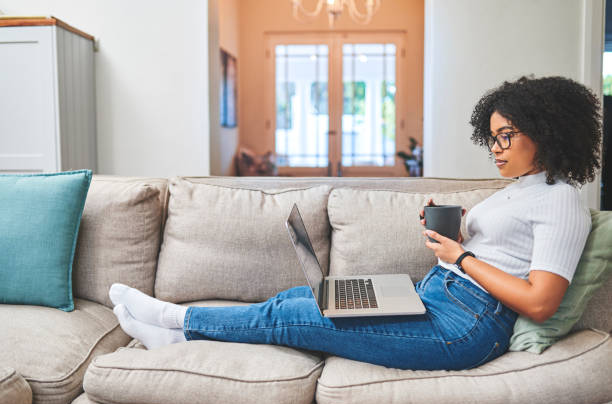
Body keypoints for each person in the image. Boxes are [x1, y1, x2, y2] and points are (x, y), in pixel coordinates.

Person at [109, 75, 601, 370]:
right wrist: (456, 228)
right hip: (438, 295)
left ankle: (176, 318)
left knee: (292, 317)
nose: (495, 149)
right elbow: (502, 248)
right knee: (298, 298)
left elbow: (540, 301)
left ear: (545, 132)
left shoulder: (563, 203)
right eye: (491, 137)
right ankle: (175, 337)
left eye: (506, 136)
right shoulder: (522, 189)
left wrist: (462, 256)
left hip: (466, 326)